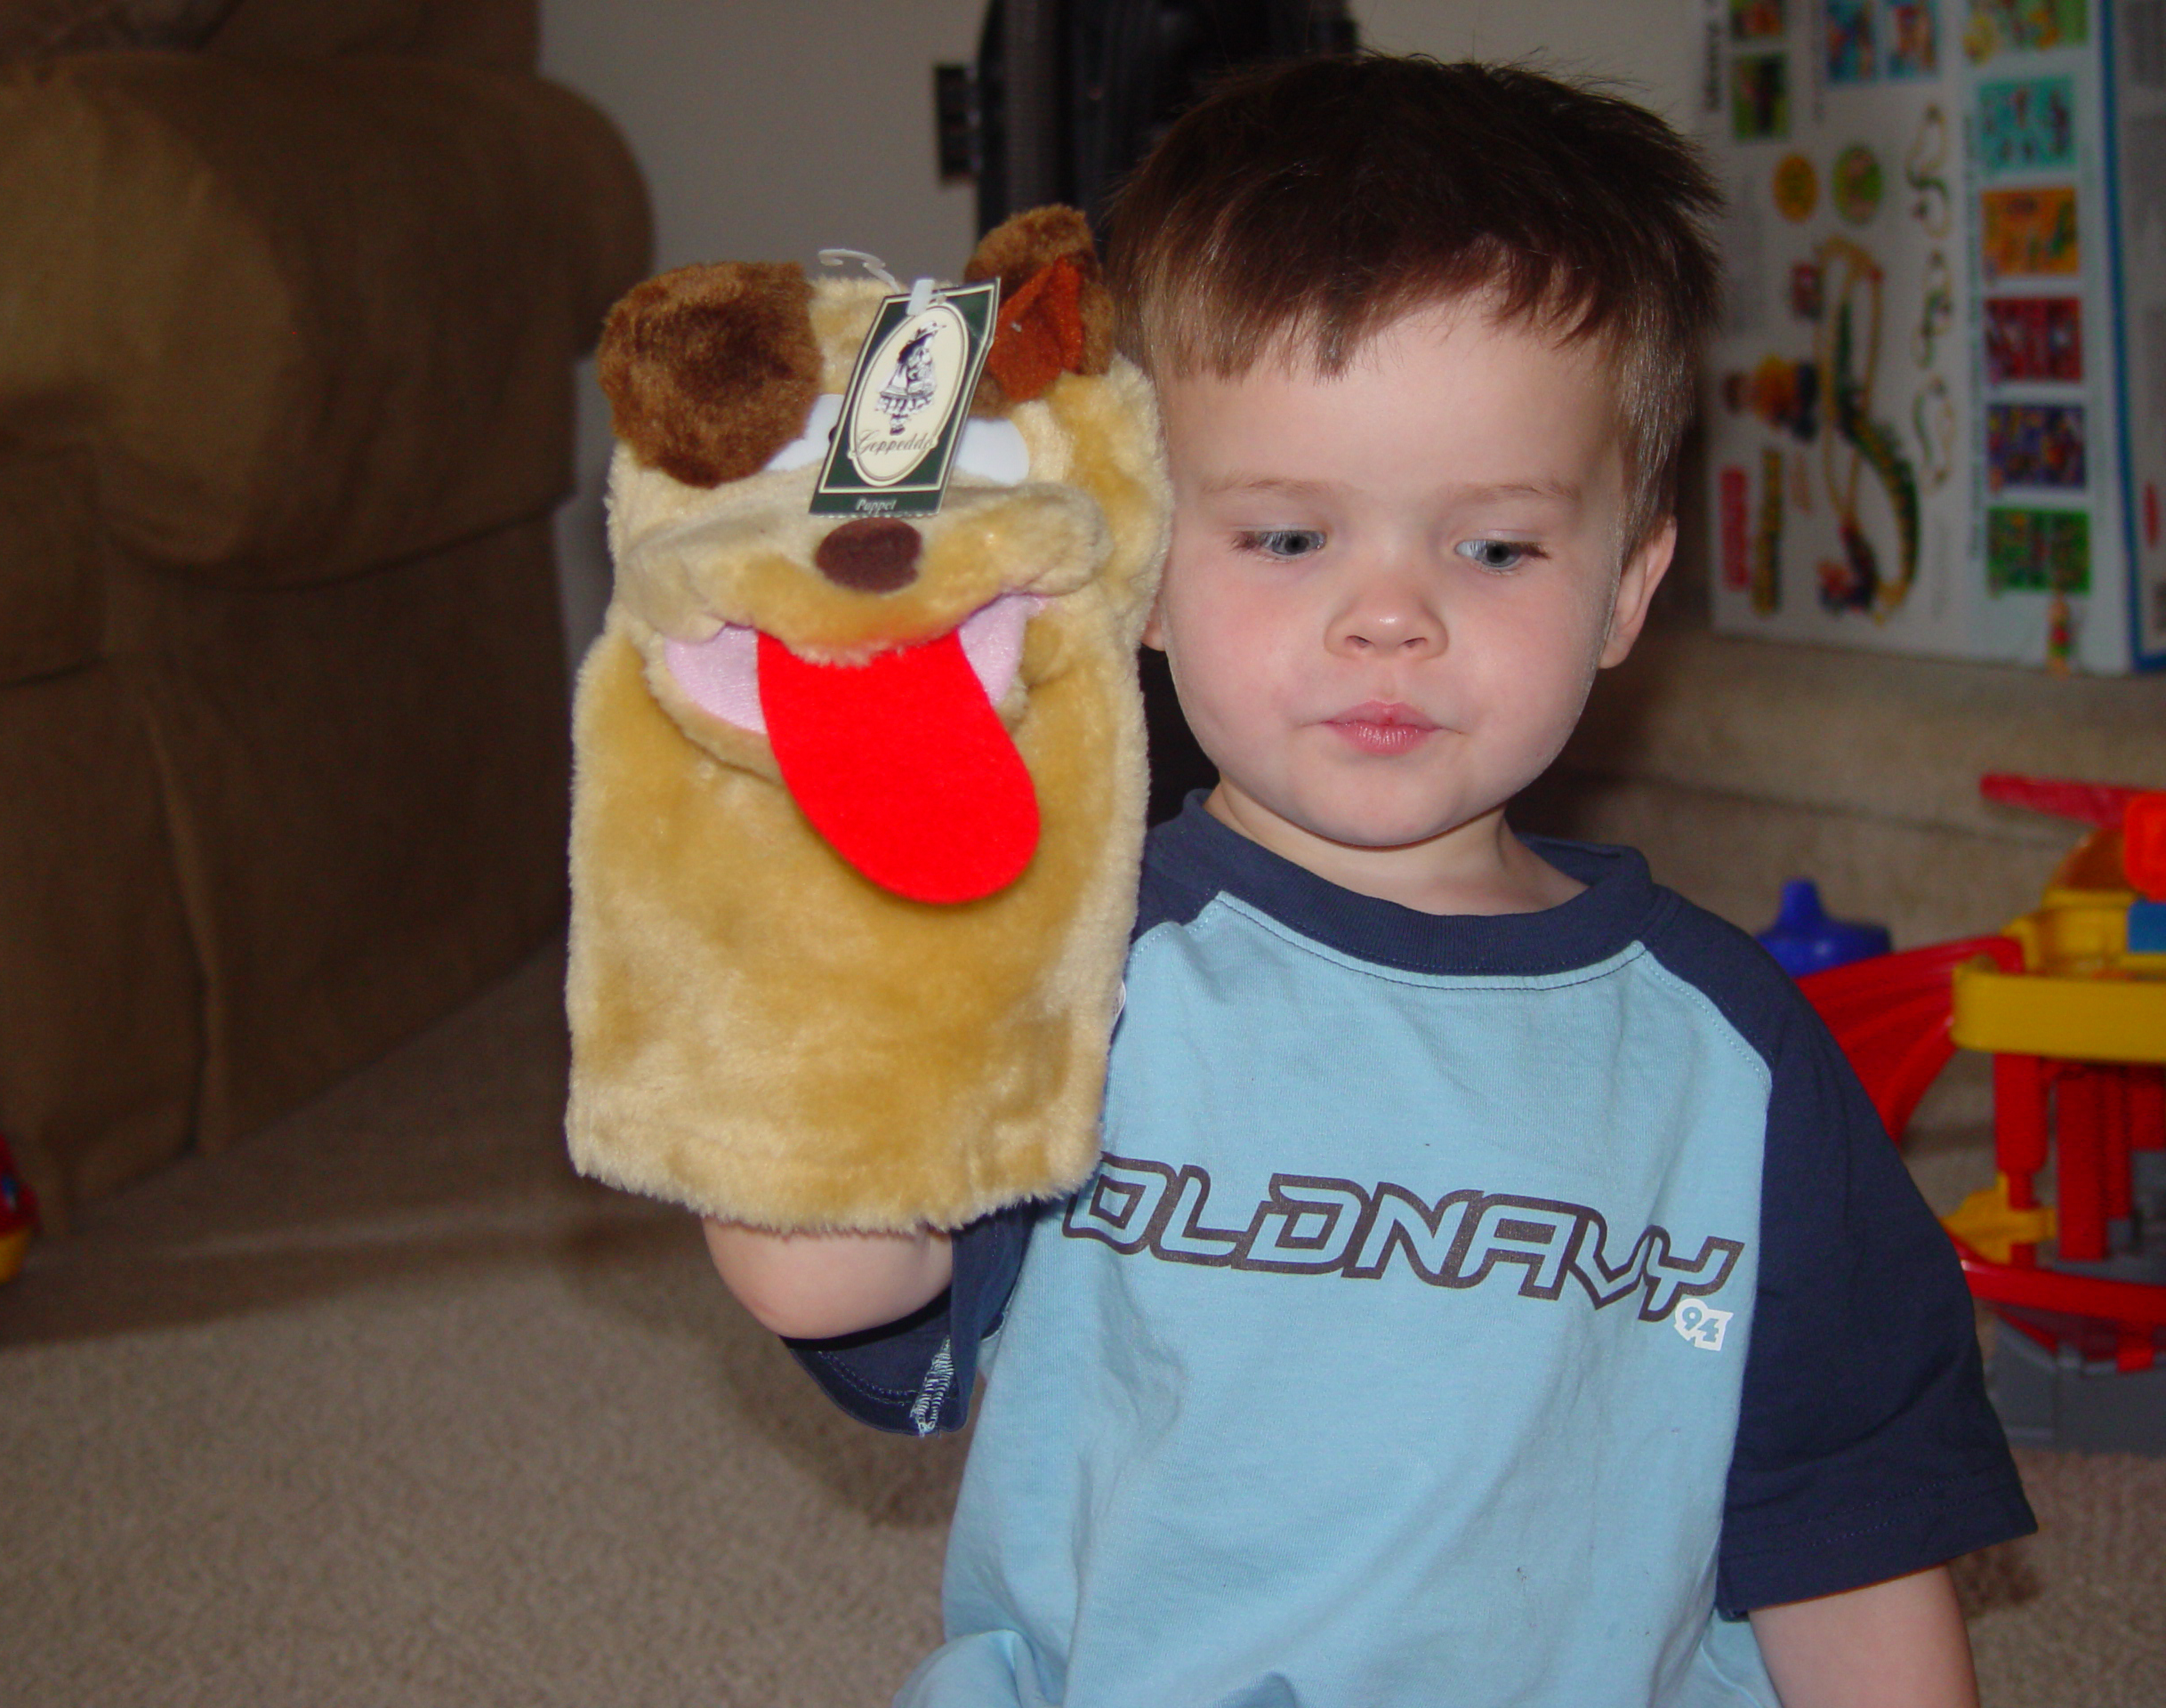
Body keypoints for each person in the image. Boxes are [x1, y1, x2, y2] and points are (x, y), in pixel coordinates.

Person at [702, 53, 2034, 1707]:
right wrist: (802, 878)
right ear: (1138, 563)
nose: (1387, 616)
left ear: (1626, 586)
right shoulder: (1068, 966)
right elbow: (824, 1274)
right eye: (1285, 538)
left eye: (1492, 547)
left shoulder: (1730, 1060)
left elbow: (1849, 1531)